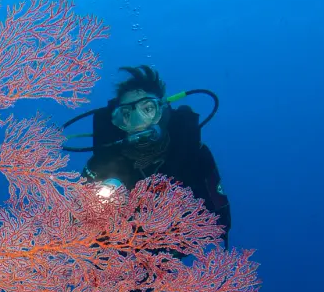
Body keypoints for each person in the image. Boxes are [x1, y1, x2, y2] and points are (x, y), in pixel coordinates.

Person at [78, 65, 232, 246]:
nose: (139, 123)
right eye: (127, 114)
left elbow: (221, 222)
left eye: (147, 109)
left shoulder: (194, 153)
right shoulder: (102, 163)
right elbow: (77, 222)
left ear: (163, 110)